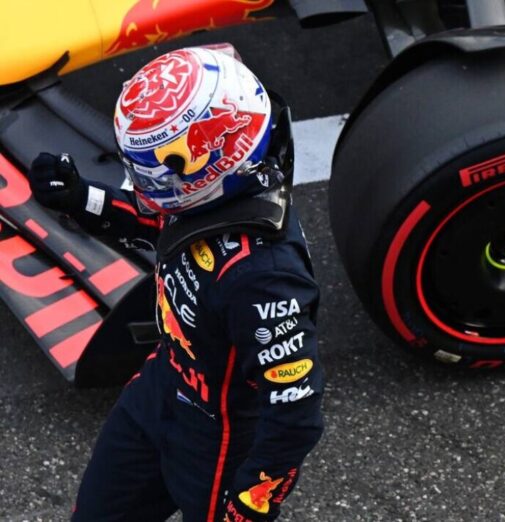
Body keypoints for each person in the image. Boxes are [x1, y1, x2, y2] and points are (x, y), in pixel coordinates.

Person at [27, 44, 324, 522]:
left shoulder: (265, 277)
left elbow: (296, 410)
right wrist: (81, 197)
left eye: (155, 170)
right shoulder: (213, 195)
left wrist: (253, 500)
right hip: (161, 389)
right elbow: (166, 226)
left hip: (220, 439)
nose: (145, 183)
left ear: (209, 157)